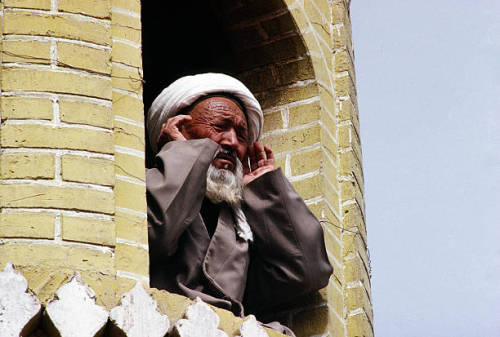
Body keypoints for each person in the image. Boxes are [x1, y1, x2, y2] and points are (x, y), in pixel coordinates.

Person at [146, 73, 332, 335]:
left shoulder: (242, 223)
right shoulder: (142, 186)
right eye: (219, 126)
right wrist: (181, 156)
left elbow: (306, 273)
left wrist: (267, 192)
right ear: (179, 128)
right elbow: (156, 231)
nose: (232, 142)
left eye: (241, 135)